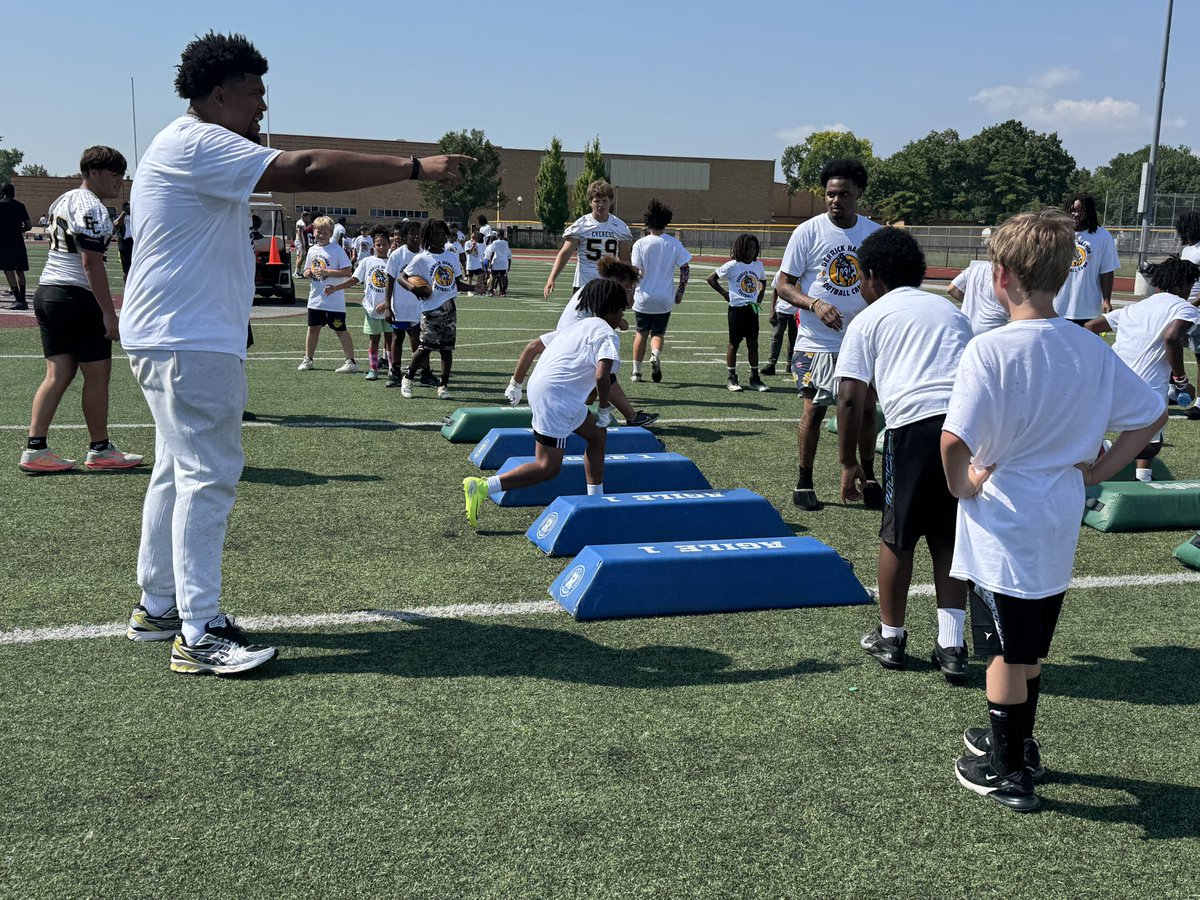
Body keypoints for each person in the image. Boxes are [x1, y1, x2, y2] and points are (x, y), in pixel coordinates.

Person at [118, 31, 471, 675]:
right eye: (255, 95)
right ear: (220, 93)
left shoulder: (184, 142)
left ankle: (159, 605)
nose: (262, 108)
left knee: (177, 467)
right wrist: (414, 167)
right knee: (207, 474)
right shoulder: (201, 141)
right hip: (188, 337)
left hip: (170, 331)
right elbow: (303, 169)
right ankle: (197, 633)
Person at [941, 209, 1166, 812]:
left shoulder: (990, 349)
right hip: (1059, 515)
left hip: (1004, 521)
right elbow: (1151, 415)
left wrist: (963, 485)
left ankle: (1008, 769)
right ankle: (1019, 740)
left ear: (1000, 276)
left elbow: (952, 444)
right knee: (1031, 642)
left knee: (1003, 652)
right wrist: (1097, 470)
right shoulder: (1087, 346)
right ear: (1066, 276)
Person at [834, 227, 973, 681]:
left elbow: (852, 398)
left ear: (872, 276)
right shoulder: (948, 310)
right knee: (950, 537)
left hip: (914, 428)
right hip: (966, 427)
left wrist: (850, 462)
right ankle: (952, 645)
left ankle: (891, 636)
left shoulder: (869, 318)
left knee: (898, 533)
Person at [19, 146, 144, 475]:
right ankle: (100, 448)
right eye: (115, 173)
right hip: (75, 296)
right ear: (93, 173)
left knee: (57, 373)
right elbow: (90, 263)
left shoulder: (64, 199)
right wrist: (109, 312)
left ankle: (35, 448)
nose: (120, 180)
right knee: (98, 373)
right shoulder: (92, 207)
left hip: (49, 292)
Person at [463, 279, 628, 527]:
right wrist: (604, 409)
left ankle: (596, 500)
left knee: (596, 436)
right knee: (547, 467)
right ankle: (483, 487)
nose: (623, 317)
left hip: (550, 391)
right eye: (623, 311)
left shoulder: (577, 326)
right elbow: (602, 376)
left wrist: (516, 383)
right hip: (556, 398)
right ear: (615, 309)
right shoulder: (606, 333)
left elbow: (534, 347)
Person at [776, 158, 882, 511]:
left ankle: (867, 477)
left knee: (868, 412)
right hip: (816, 342)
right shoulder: (807, 231)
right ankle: (804, 480)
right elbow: (783, 285)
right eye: (830, 195)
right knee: (814, 411)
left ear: (859, 194)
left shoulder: (874, 233)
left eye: (843, 195)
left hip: (863, 343)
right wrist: (814, 304)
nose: (835, 201)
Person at [505, 256, 658, 428]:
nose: (630, 292)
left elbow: (533, 347)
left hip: (567, 343)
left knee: (594, 378)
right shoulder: (599, 298)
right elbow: (609, 321)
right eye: (629, 287)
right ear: (619, 281)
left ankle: (586, 411)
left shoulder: (595, 291)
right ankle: (631, 416)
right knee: (603, 373)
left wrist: (515, 384)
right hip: (572, 344)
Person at [1083, 256, 1200, 480]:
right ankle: (1107, 452)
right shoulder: (1184, 308)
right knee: (1152, 440)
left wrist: (1099, 361)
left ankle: (1142, 477)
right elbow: (1172, 337)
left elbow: (1090, 327)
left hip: (1113, 379)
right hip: (1147, 384)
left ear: (1157, 284)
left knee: (1140, 435)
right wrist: (1181, 381)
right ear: (1184, 285)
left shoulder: (1136, 307)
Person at [395, 218, 475, 399]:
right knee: (426, 347)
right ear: (427, 236)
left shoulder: (451, 256)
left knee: (447, 349)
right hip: (431, 309)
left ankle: (443, 385)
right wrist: (412, 288)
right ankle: (407, 378)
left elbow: (456, 284)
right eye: (435, 234)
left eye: (442, 234)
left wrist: (474, 287)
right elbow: (401, 277)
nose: (440, 238)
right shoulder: (422, 258)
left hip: (450, 308)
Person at [630, 198, 690, 384]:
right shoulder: (674, 244)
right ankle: (655, 355)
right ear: (666, 221)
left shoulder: (640, 244)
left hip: (644, 297)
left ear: (648, 222)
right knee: (658, 333)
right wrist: (680, 291)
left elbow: (635, 271)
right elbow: (685, 268)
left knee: (641, 332)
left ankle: (636, 372)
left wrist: (630, 292)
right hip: (664, 298)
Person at [543, 180, 632, 299]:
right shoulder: (581, 225)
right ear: (590, 202)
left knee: (608, 318)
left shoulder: (620, 227)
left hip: (609, 284)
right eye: (597, 201)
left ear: (611, 201)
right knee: (581, 317)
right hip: (584, 284)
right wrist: (551, 278)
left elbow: (625, 260)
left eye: (604, 200)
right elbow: (565, 253)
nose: (601, 205)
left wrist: (628, 286)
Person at [324, 226, 392, 379]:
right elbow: (355, 279)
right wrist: (336, 287)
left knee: (390, 339)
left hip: (389, 309)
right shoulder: (367, 261)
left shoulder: (393, 261)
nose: (381, 248)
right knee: (374, 339)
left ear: (389, 245)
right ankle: (373, 369)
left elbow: (397, 287)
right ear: (373, 245)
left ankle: (392, 369)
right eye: (378, 245)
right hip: (372, 309)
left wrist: (388, 303)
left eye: (384, 244)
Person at [708, 234, 768, 392]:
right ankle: (731, 378)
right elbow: (711, 278)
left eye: (754, 248)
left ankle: (755, 378)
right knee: (734, 344)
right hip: (736, 310)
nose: (752, 251)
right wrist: (724, 293)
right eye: (748, 248)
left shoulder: (758, 265)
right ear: (741, 248)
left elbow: (763, 280)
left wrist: (760, 295)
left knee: (753, 344)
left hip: (752, 309)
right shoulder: (732, 265)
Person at [298, 216, 358, 373]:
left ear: (331, 233)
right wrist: (307, 272)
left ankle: (351, 362)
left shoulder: (337, 250)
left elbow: (347, 271)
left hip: (334, 301)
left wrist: (327, 272)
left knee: (340, 330)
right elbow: (307, 268)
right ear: (314, 231)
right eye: (318, 231)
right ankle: (308, 359)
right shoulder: (312, 250)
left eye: (325, 232)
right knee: (313, 329)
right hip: (315, 299)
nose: (321, 234)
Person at [1053, 193, 1119, 324]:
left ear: (1089, 212)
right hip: (1057, 307)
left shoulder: (1102, 236)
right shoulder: (1058, 234)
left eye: (1080, 211)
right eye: (1072, 210)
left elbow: (1106, 270)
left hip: (1088, 309)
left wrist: (1106, 300)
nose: (1076, 214)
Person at [384, 218, 432, 388]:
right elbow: (389, 281)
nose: (415, 236)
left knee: (421, 340)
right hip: (401, 305)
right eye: (411, 233)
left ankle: (424, 372)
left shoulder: (425, 254)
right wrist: (388, 306)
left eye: (418, 233)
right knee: (397, 337)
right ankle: (395, 371)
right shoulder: (397, 254)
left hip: (420, 306)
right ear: (404, 236)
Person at [947, 259, 1008, 335]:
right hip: (992, 326)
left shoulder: (973, 268)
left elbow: (952, 289)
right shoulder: (1006, 272)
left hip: (967, 325)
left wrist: (968, 302)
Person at [0, 182, 31, 309]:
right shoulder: (20, 206)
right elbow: (28, 225)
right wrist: (19, 230)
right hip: (18, 242)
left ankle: (18, 299)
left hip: (4, 242)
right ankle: (23, 299)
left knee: (8, 271)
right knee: (20, 270)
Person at [762, 271, 796, 377]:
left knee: (794, 338)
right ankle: (771, 364)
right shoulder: (780, 273)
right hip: (781, 310)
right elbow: (775, 293)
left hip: (797, 311)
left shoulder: (801, 272)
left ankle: (790, 364)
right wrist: (772, 311)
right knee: (776, 337)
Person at [485, 231, 512, 296]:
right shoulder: (506, 243)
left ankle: (491, 291)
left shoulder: (494, 242)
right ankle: (503, 291)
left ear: (498, 235)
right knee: (503, 277)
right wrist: (508, 265)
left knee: (493, 277)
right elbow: (508, 254)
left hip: (496, 261)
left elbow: (493, 253)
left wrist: (490, 263)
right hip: (504, 262)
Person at [293, 210, 313, 277]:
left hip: (301, 241)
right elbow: (299, 233)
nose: (308, 218)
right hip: (300, 241)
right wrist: (303, 244)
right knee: (302, 256)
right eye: (308, 217)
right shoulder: (301, 223)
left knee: (300, 257)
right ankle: (296, 272)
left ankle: (297, 271)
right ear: (304, 216)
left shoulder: (303, 223)